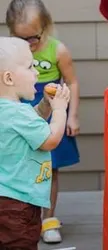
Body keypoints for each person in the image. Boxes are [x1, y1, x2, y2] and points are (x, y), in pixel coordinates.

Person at [6, 0, 80, 244]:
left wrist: (67, 113)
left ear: (45, 27)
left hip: (47, 104)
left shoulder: (58, 50)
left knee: (49, 168)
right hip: (20, 103)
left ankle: (48, 219)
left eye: (33, 38)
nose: (28, 43)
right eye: (20, 38)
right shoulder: (10, 57)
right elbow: (48, 140)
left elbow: (71, 82)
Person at [0, 37, 70, 250]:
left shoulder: (9, 111)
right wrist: (59, 109)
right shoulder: (18, 113)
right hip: (18, 205)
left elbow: (31, 123)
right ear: (9, 78)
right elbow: (49, 140)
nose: (37, 73)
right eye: (30, 67)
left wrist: (45, 106)